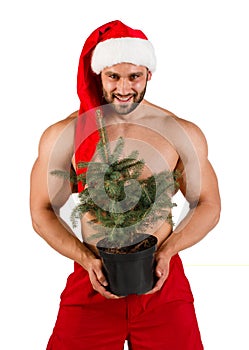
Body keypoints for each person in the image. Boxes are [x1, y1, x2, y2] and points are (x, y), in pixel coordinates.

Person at [30, 20, 221, 349]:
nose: (123, 88)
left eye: (134, 76)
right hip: (92, 279)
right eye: (113, 76)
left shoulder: (180, 132)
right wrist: (85, 259)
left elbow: (208, 203)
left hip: (163, 282)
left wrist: (168, 252)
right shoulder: (64, 136)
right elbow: (41, 210)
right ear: (99, 74)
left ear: (149, 73)